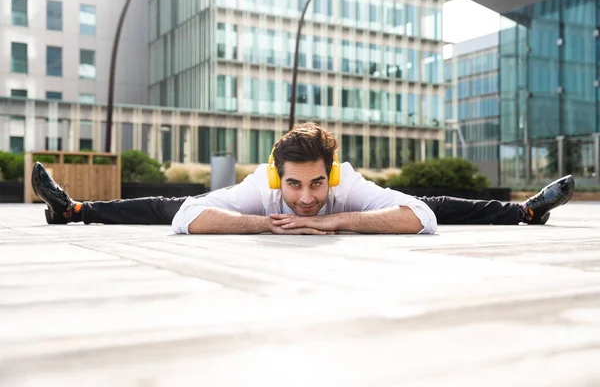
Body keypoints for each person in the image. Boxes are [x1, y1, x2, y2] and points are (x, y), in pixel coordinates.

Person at [31, 122, 575, 235]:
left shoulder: (345, 183)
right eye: (295, 185)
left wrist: (341, 219)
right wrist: (264, 226)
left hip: (363, 206)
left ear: (331, 174)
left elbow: (422, 217)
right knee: (166, 205)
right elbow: (189, 214)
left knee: (435, 200)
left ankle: (528, 210)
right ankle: (72, 209)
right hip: (252, 213)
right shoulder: (260, 189)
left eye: (316, 185)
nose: (305, 197)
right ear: (277, 177)